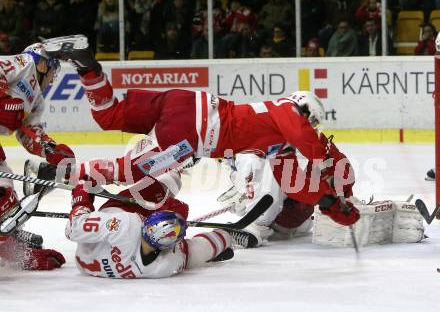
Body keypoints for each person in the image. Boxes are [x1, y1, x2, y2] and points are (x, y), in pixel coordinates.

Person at [46, 35, 359, 228]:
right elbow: (306, 140)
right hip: (193, 132)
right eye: (311, 121)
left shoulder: (278, 136)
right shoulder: (286, 113)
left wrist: (328, 203)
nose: (310, 127)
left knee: (109, 116)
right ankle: (66, 174)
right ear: (302, 109)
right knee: (136, 169)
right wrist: (325, 167)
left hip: (184, 102)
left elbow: (294, 181)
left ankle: (86, 65)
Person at [65, 173, 235, 279]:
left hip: (95, 245)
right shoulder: (165, 265)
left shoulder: (126, 225)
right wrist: (178, 221)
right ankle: (227, 235)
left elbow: (73, 228)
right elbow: (175, 239)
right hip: (87, 263)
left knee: (163, 185)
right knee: (197, 250)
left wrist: (81, 195)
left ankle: (226, 236)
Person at [0, 41, 74, 270]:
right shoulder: (23, 64)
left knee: (5, 188)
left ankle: (11, 246)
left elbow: (29, 132)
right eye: (53, 68)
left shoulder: (36, 100)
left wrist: (51, 150)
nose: (53, 76)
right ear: (43, 64)